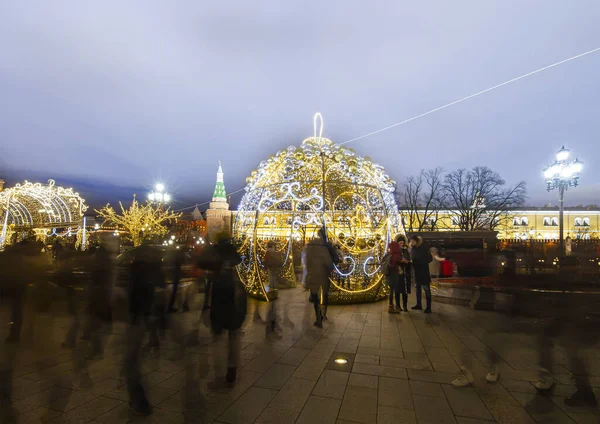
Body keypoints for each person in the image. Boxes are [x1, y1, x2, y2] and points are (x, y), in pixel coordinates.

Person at [198, 232, 246, 387]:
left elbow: (201, 262)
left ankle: (219, 376)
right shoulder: (234, 253)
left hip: (219, 293)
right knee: (234, 336)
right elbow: (239, 260)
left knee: (218, 338)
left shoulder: (214, 252)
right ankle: (232, 370)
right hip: (234, 295)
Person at [125, 237, 164, 416]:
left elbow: (134, 293)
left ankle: (140, 401)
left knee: (130, 362)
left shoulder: (136, 269)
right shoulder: (154, 269)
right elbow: (158, 292)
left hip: (137, 316)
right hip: (144, 315)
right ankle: (138, 398)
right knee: (131, 361)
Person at [302, 231, 333, 328]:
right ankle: (324, 314)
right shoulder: (323, 248)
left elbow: (306, 262)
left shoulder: (309, 248)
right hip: (323, 275)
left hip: (312, 275)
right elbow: (329, 262)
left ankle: (318, 316)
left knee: (315, 296)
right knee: (325, 294)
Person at [409, 235, 433, 313]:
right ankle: (418, 304)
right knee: (417, 289)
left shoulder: (423, 248)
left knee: (426, 289)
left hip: (423, 272)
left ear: (417, 241)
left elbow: (429, 258)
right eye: (411, 241)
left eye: (413, 241)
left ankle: (428, 307)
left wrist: (418, 261)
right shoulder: (412, 249)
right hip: (417, 272)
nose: (411, 242)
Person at [385, 235, 405, 313]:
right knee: (395, 290)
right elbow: (397, 262)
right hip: (394, 274)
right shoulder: (396, 254)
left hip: (389, 274)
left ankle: (391, 306)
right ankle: (394, 307)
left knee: (391, 291)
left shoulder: (389, 253)